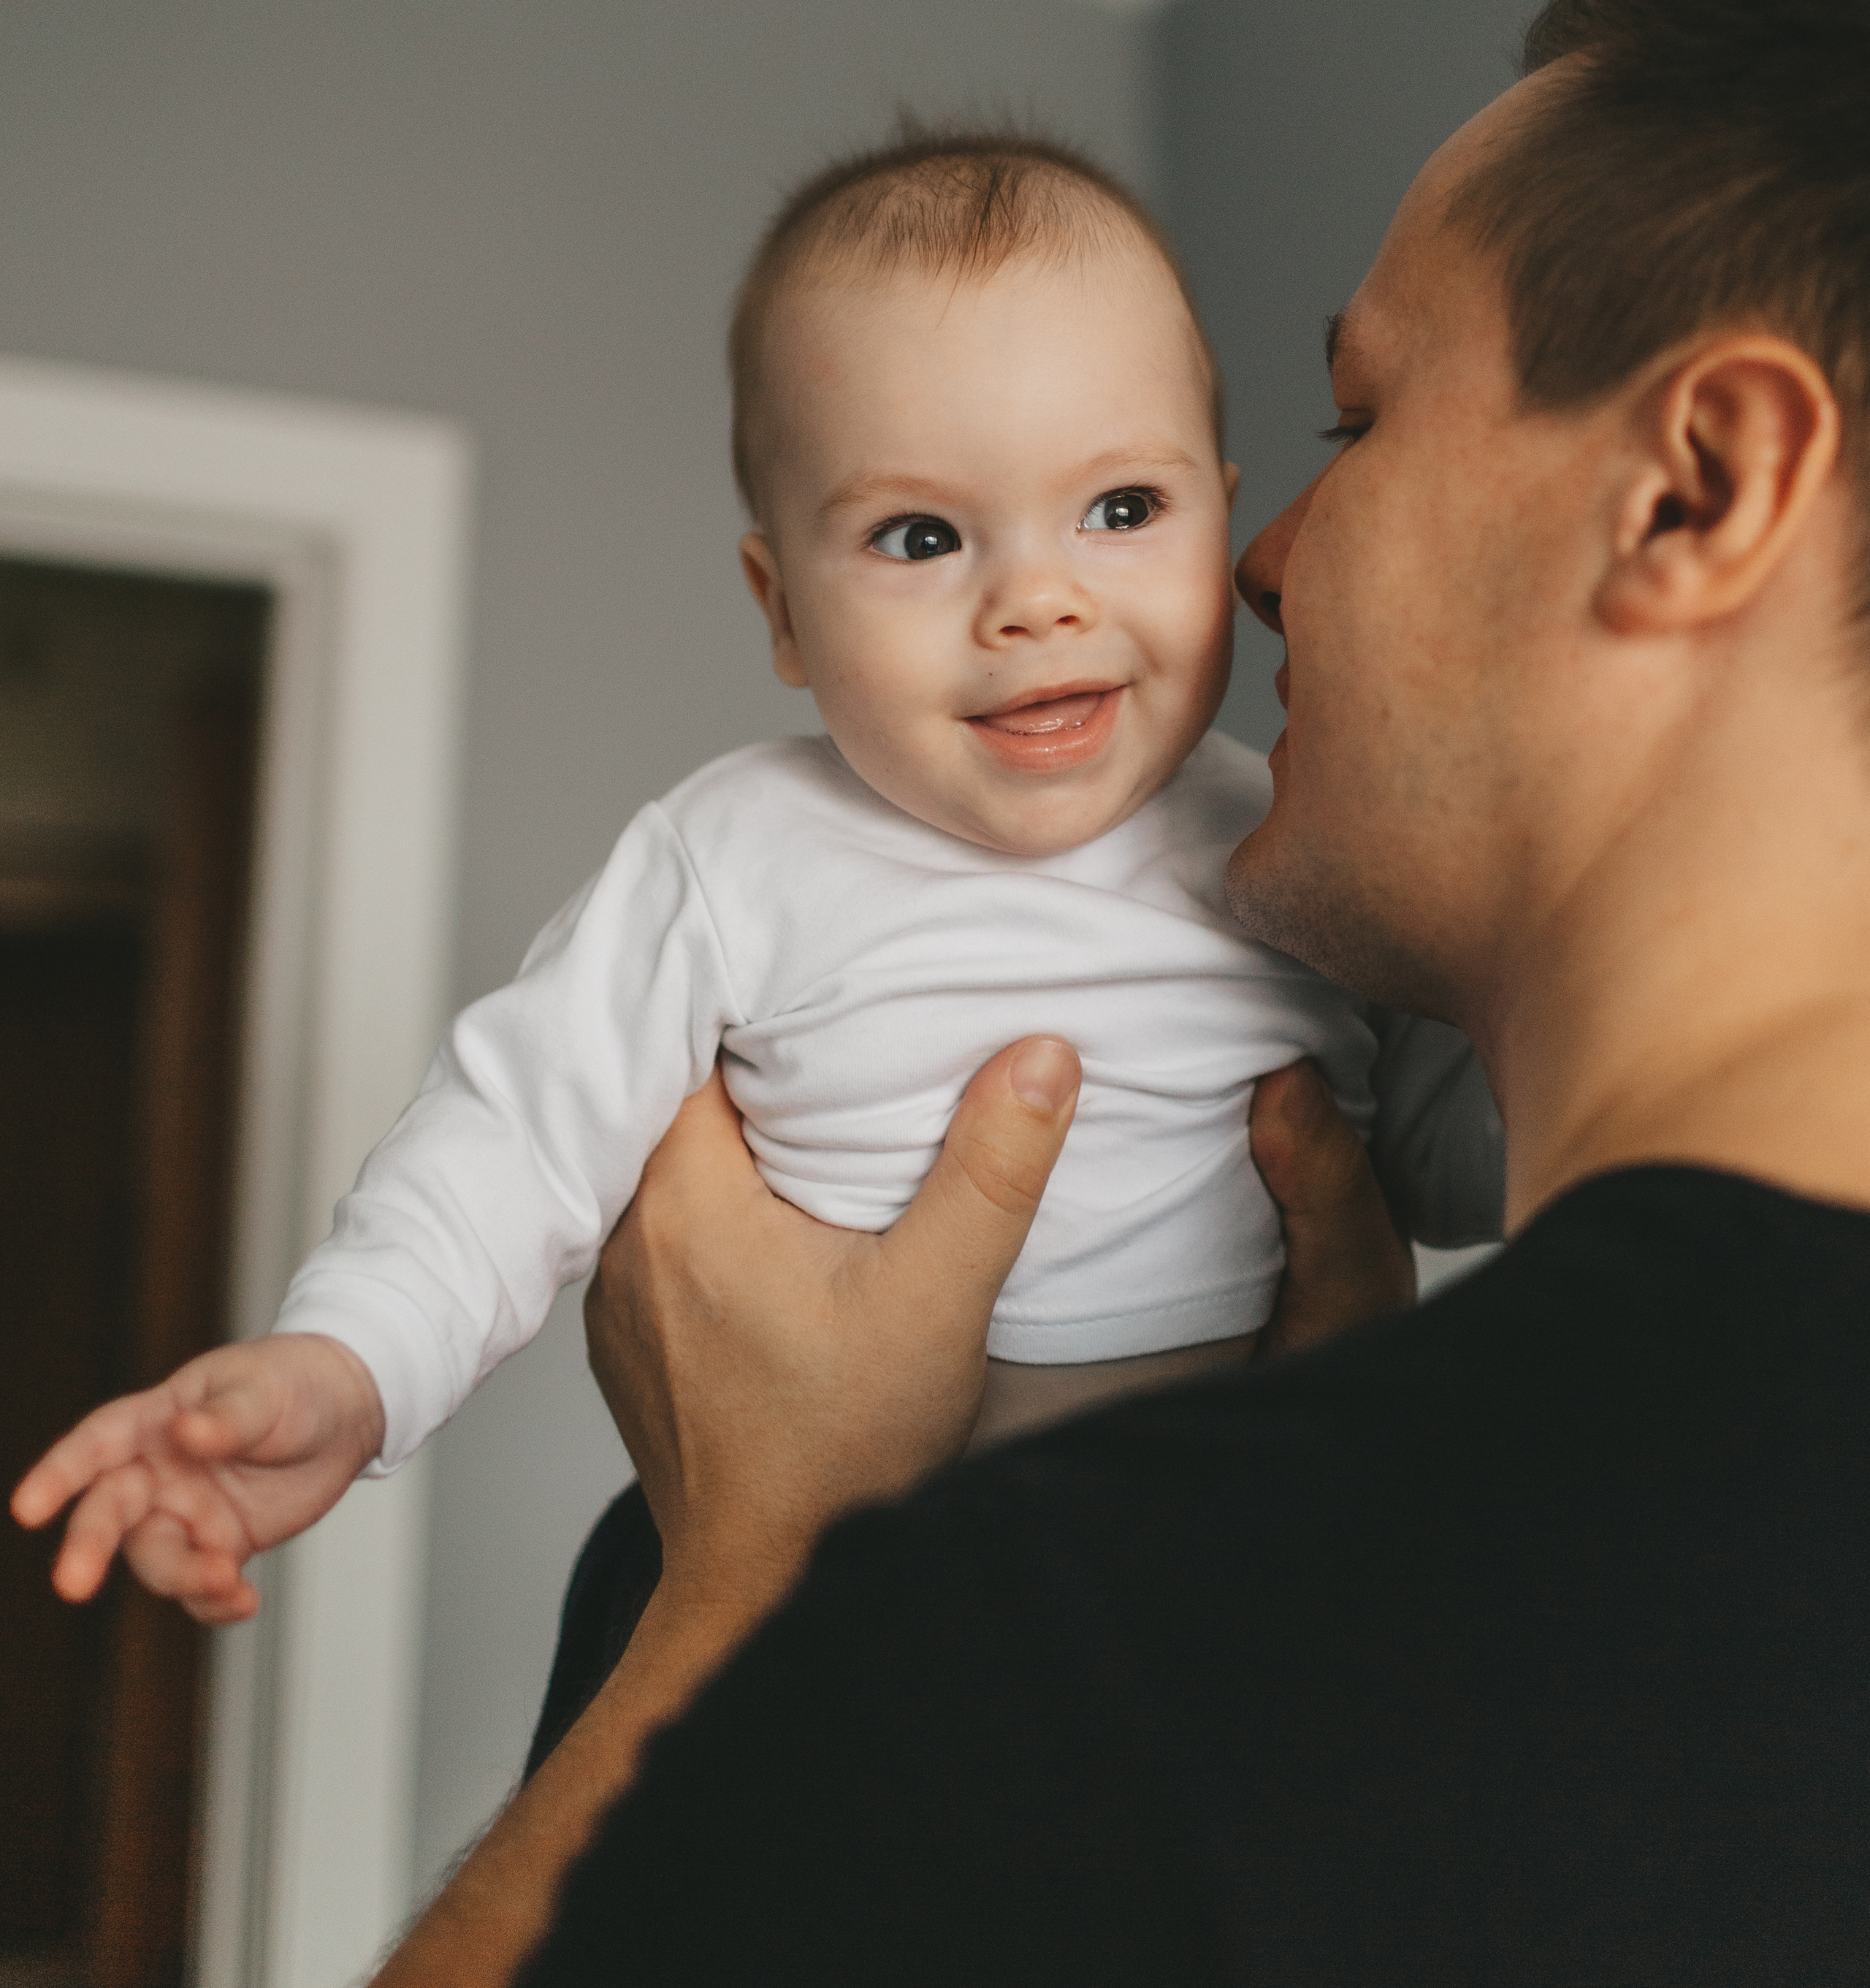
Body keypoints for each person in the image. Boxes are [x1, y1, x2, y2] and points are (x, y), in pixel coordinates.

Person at [380, 0, 1870, 1986]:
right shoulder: (1346, 1566)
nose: (1258, 562)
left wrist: (743, 1586)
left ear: (1697, 487)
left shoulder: (1047, 1631)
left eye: (1359, 421)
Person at [9, 131, 1497, 1629]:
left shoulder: (1290, 838)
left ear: (1219, 512)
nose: (1038, 601)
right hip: (845, 1575)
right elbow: (516, 1135)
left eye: (1121, 510)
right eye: (921, 536)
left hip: (1233, 1560)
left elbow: (1466, 1141)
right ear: (781, 610)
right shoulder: (737, 854)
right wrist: (345, 1366)